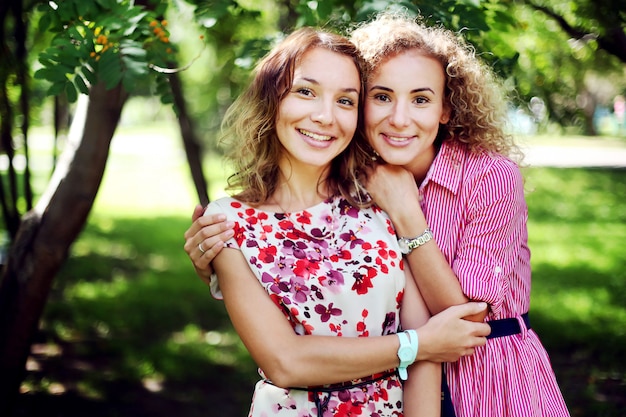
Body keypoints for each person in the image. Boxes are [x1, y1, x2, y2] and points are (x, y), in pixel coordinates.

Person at [185, 11, 571, 417]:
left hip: (490, 380)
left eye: (420, 99)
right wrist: (218, 268)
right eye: (382, 97)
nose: (399, 118)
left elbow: (465, 320)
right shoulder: (343, 185)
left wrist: (407, 214)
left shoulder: (446, 187)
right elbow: (286, 348)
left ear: (446, 108)